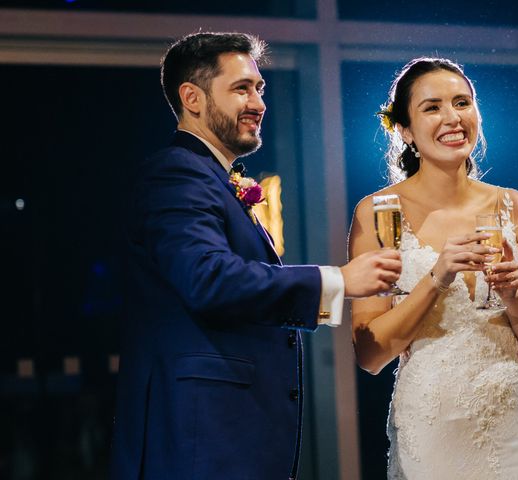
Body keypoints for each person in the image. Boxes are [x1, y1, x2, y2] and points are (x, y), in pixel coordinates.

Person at [109, 32, 402, 480]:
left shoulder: (210, 176)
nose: (259, 103)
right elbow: (209, 279)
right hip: (199, 440)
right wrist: (337, 281)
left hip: (223, 437)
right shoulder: (176, 172)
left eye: (259, 89)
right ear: (192, 97)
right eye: (242, 88)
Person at [348, 57, 518, 479]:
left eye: (462, 102)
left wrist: (512, 298)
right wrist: (436, 278)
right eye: (432, 107)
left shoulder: (515, 207)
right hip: (432, 424)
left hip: (516, 421)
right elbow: (370, 355)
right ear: (404, 130)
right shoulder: (379, 212)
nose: (452, 117)